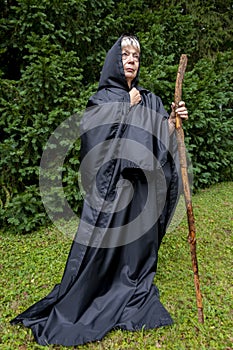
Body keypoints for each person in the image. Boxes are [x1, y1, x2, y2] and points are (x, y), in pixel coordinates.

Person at [10, 35, 188, 346]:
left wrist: (173, 121)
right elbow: (96, 146)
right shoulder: (102, 99)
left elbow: (160, 139)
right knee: (103, 248)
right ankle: (95, 291)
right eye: (124, 54)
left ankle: (131, 285)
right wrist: (124, 106)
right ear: (113, 61)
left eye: (135, 55)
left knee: (137, 247)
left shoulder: (149, 99)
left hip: (143, 191)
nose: (131, 59)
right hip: (116, 191)